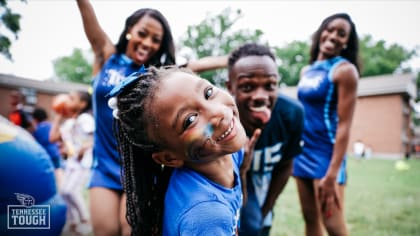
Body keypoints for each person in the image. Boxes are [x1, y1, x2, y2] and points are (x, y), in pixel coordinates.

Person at [75, 1, 228, 235]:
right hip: (104, 166)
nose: (147, 43)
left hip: (138, 168)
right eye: (142, 34)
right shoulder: (106, 56)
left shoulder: (156, 77)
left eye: (155, 40)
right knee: (104, 230)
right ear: (129, 31)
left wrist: (233, 59)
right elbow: (88, 16)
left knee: (132, 230)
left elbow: (197, 65)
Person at [110, 66, 259, 235]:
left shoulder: (229, 153)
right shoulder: (207, 216)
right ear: (169, 158)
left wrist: (244, 167)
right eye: (190, 120)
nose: (218, 113)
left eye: (208, 93)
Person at [292, 13, 360, 236]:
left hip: (326, 155)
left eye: (341, 34)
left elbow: (344, 125)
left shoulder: (345, 71)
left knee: (333, 226)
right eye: (330, 29)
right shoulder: (306, 71)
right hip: (303, 152)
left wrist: (331, 174)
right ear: (321, 32)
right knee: (310, 219)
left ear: (347, 42)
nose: (333, 36)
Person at [226, 43, 305, 235]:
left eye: (270, 85)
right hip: (228, 188)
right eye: (247, 86)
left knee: (258, 225)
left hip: (264, 184)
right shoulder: (220, 118)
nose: (261, 96)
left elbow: (286, 165)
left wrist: (265, 209)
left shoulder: (292, 114)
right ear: (231, 88)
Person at [49, 90, 94, 235]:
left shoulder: (86, 118)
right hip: (71, 163)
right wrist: (58, 116)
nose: (67, 100)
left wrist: (82, 149)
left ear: (82, 104)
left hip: (83, 162)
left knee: (71, 191)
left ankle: (85, 220)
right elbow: (53, 138)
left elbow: (94, 138)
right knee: (64, 192)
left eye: (71, 98)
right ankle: (73, 221)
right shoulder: (69, 122)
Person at [31, 107, 65, 189]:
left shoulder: (37, 129)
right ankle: (62, 187)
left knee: (47, 172)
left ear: (36, 118)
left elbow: (35, 143)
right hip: (55, 152)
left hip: (45, 154)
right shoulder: (51, 126)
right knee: (58, 170)